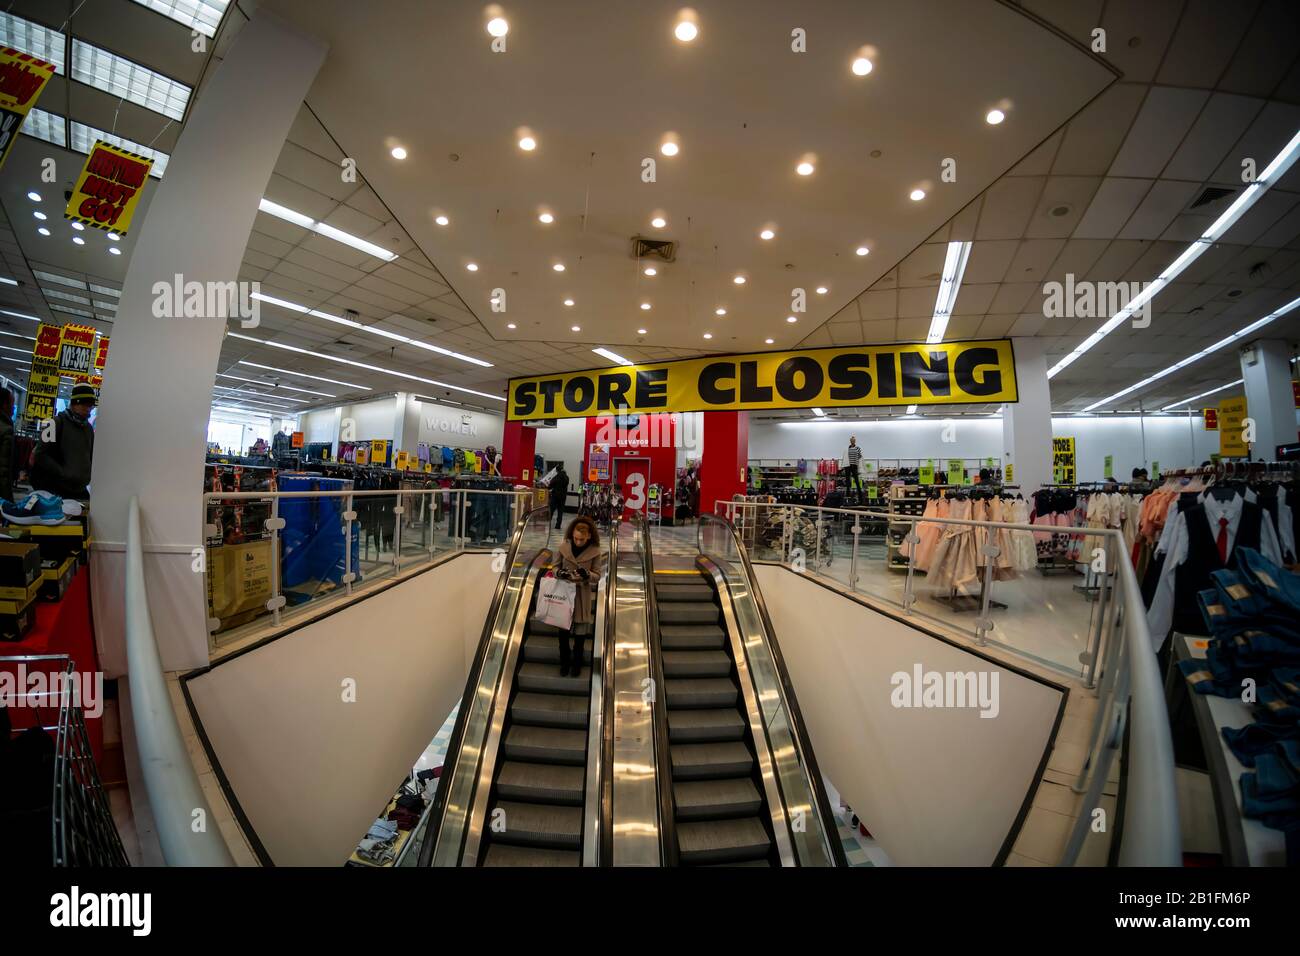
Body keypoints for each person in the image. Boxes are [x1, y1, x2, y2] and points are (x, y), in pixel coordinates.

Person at [554, 515, 604, 676]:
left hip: (582, 596)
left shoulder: (595, 552)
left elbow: (598, 575)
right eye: (575, 538)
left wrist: (587, 574)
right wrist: (560, 572)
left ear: (589, 536)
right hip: (564, 594)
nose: (578, 542)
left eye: (582, 539)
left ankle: (577, 664)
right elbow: (554, 568)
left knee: (580, 634)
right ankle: (564, 663)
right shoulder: (563, 547)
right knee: (563, 634)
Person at [32, 382, 96, 501]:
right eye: (85, 405)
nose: (88, 409)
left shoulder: (88, 429)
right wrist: (62, 472)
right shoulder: (53, 423)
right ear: (75, 403)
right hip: (55, 490)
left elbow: (90, 455)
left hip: (79, 490)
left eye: (90, 406)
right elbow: (40, 454)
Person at [0, 388, 14, 502]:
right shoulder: (6, 430)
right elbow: (4, 470)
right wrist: (8, 500)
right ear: (5, 405)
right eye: (12, 404)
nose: (13, 409)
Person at [548, 463, 569, 530]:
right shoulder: (566, 477)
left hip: (555, 496)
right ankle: (558, 525)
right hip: (563, 497)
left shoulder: (556, 477)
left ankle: (548, 524)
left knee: (551, 510)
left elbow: (550, 485)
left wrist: (549, 487)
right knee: (560, 512)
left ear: (557, 470)